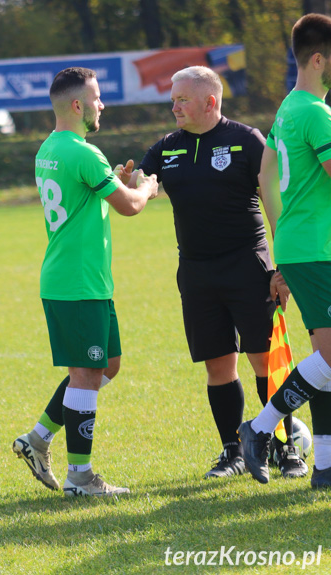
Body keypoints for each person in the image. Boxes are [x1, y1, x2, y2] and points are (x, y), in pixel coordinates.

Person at [134, 66, 305, 479]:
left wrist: (283, 267)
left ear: (210, 102)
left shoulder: (246, 140)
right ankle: (233, 451)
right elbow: (143, 180)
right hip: (195, 272)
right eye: (172, 99)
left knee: (265, 360)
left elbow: (275, 204)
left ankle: (284, 447)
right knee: (218, 366)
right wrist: (132, 182)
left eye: (182, 99)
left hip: (249, 265)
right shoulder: (165, 148)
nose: (174, 106)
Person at [11, 67, 158, 497]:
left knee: (105, 367)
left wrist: (111, 179)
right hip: (76, 282)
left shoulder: (50, 149)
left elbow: (82, 195)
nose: (102, 105)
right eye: (96, 98)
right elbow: (130, 206)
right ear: (77, 105)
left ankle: (38, 439)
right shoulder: (82, 153)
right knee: (86, 374)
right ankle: (81, 477)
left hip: (81, 279)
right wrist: (146, 187)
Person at [241, 13, 331, 489]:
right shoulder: (316, 113)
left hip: (304, 246)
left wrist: (282, 251)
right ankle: (257, 430)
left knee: (327, 360)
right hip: (317, 248)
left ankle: (325, 467)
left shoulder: (287, 109)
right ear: (319, 59)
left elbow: (265, 178)